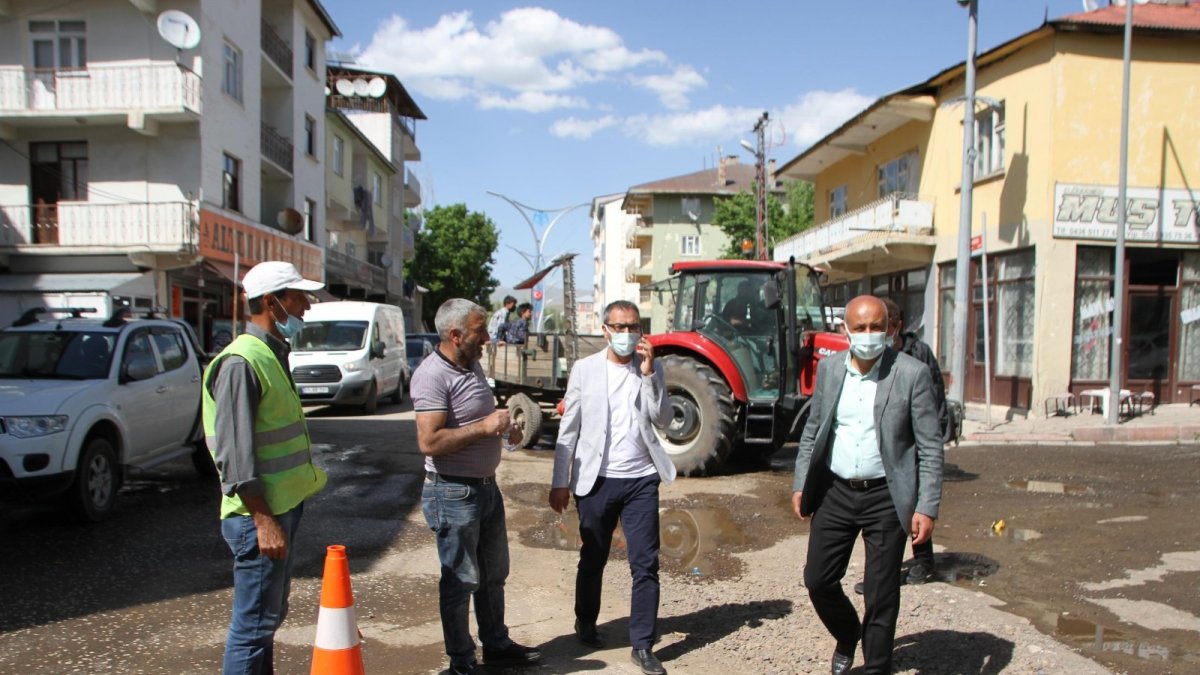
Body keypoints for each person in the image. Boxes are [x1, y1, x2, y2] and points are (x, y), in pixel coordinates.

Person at [791, 295, 943, 675]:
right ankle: (847, 634)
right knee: (818, 580)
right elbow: (813, 430)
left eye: (877, 326)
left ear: (891, 329)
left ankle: (876, 667)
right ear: (846, 330)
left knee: (881, 593)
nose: (869, 335)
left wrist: (926, 505)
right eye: (860, 328)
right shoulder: (829, 370)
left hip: (886, 497)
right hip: (836, 491)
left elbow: (929, 445)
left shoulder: (910, 373)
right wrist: (799, 483)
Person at [202, 260, 328, 674]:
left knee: (266, 622)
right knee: (253, 627)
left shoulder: (272, 353)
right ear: (273, 303)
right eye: (299, 296)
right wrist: (264, 521)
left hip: (279, 509)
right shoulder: (242, 361)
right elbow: (236, 458)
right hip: (259, 517)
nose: (307, 305)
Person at [412, 298, 540, 675]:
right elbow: (429, 442)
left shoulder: (472, 365)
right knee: (461, 580)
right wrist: (484, 428)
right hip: (451, 492)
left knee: (493, 574)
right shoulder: (432, 375)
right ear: (455, 335)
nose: (487, 336)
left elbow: (479, 419)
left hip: (485, 489)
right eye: (479, 330)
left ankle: (496, 644)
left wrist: (505, 430)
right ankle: (462, 661)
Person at [549, 300, 677, 675]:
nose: (625, 334)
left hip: (640, 479)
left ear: (641, 330)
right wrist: (560, 481)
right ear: (604, 329)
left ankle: (642, 645)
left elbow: (664, 419)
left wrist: (652, 374)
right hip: (596, 480)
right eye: (618, 327)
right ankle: (585, 620)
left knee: (645, 564)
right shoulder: (585, 370)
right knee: (594, 557)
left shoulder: (650, 367)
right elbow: (568, 428)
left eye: (632, 327)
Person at [881, 296, 948, 584]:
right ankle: (886, 570)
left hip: (916, 441)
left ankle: (924, 561)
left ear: (898, 326)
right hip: (891, 441)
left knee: (914, 501)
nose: (879, 333)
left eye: (885, 326)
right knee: (889, 506)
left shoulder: (918, 354)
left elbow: (933, 398)